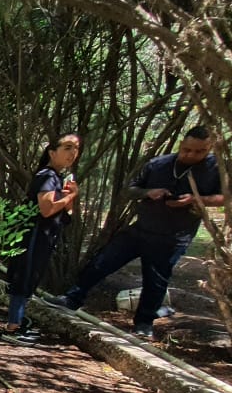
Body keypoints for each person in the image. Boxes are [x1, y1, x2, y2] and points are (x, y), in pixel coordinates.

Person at [51, 126, 225, 338]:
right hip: (141, 229)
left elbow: (225, 197)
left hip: (174, 236)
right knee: (102, 262)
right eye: (187, 150)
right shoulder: (159, 164)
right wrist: (149, 192)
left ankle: (144, 323)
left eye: (200, 151)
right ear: (181, 144)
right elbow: (129, 190)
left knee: (156, 281)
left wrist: (195, 199)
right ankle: (72, 299)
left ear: (209, 148)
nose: (191, 155)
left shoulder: (216, 168)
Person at [3, 133, 82, 344]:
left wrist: (69, 197)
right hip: (32, 237)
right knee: (23, 277)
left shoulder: (57, 178)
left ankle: (19, 321)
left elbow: (66, 216)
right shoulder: (47, 176)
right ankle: (12, 327)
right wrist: (71, 196)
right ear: (52, 152)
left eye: (76, 149)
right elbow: (46, 209)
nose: (73, 153)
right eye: (67, 147)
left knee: (31, 279)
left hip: (44, 239)